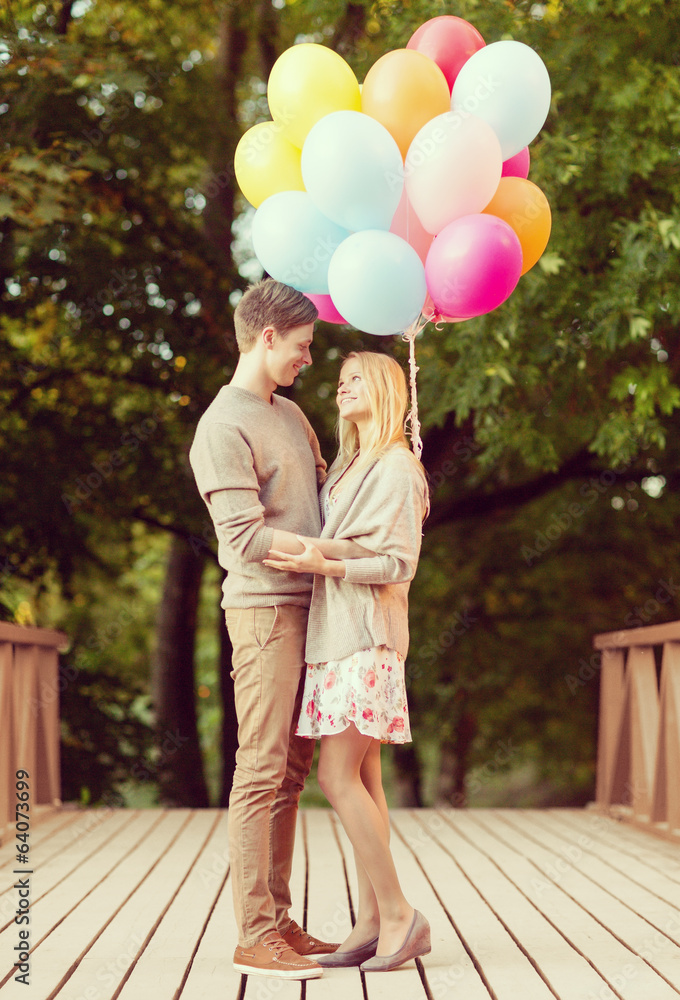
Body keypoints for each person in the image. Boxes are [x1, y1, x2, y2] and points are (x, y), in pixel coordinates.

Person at [189, 279, 371, 981]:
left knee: (292, 774)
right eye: (302, 346)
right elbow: (243, 538)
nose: (308, 359)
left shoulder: (292, 415)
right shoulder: (221, 426)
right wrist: (324, 558)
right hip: (265, 611)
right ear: (267, 338)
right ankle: (252, 934)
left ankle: (280, 920)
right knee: (261, 768)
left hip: (314, 607)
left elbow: (326, 500)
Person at [263, 350, 432, 973]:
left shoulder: (395, 466)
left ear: (388, 388)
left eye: (357, 379)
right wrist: (315, 555)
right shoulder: (347, 468)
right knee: (365, 780)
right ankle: (369, 921)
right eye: (339, 381)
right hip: (333, 641)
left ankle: (399, 915)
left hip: (367, 637)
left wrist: (322, 563)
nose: (342, 388)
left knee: (335, 776)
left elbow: (396, 563)